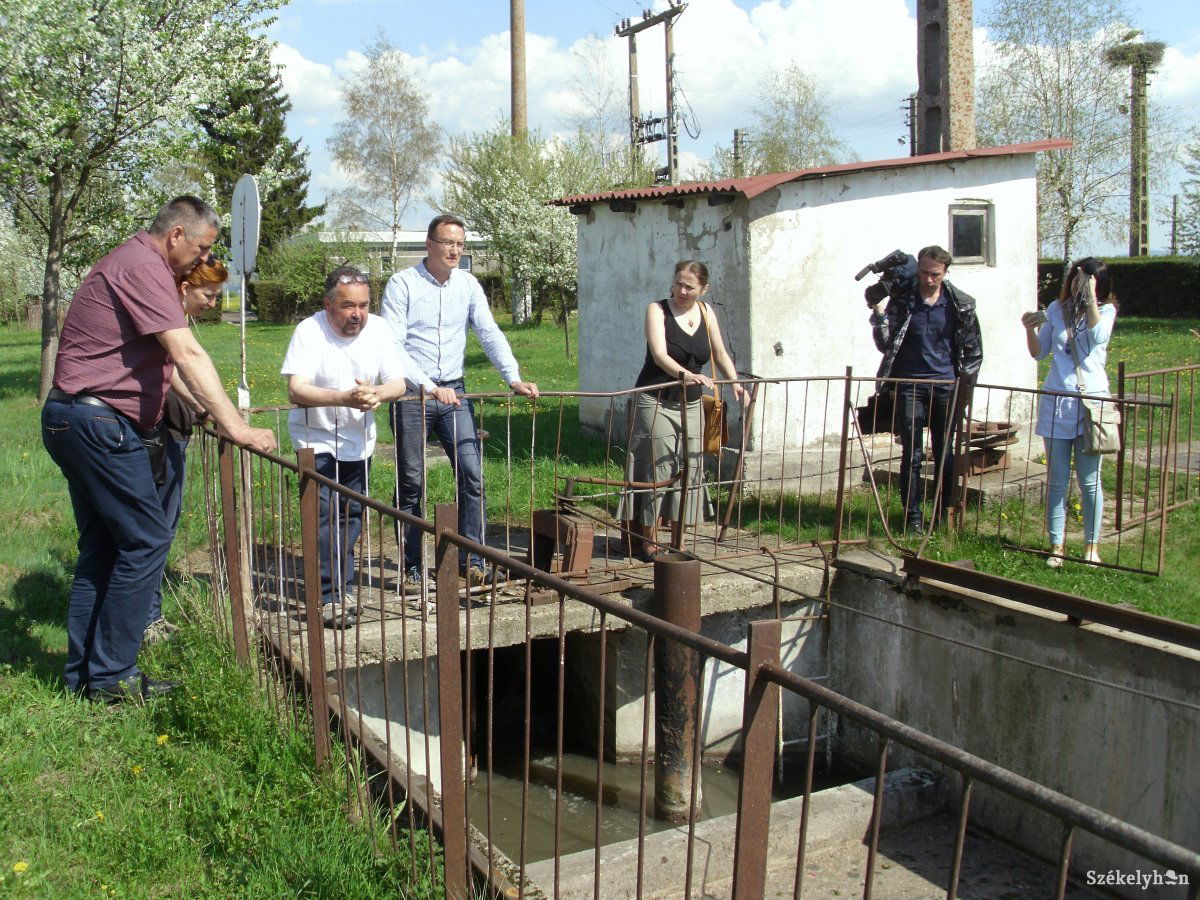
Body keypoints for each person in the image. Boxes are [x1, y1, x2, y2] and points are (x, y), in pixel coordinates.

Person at [42, 195, 277, 703]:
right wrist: (236, 427)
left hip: (73, 416)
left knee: (104, 548)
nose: (202, 260)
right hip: (98, 422)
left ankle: (84, 676)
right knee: (147, 541)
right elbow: (186, 352)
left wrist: (208, 411)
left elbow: (164, 373)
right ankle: (111, 678)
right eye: (202, 248)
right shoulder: (144, 268)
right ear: (176, 236)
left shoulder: (128, 262)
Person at [381, 214, 539, 590]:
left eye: (460, 244)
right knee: (411, 482)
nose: (454, 249)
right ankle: (412, 567)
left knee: (472, 474)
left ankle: (472, 560)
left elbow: (488, 331)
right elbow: (392, 345)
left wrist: (512, 376)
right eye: (447, 242)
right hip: (410, 395)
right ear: (429, 244)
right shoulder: (402, 284)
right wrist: (427, 386)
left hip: (455, 394)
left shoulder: (468, 285)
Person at [282, 265, 422, 628]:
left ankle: (339, 588)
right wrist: (344, 397)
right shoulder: (309, 331)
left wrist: (376, 393)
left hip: (358, 442)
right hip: (315, 439)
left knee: (351, 517)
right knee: (324, 516)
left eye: (363, 305)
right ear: (328, 304)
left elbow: (397, 382)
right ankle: (328, 596)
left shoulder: (378, 329)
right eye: (347, 306)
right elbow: (296, 389)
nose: (357, 314)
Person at [617, 260, 746, 561]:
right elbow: (660, 355)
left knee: (691, 466)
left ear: (704, 289)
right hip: (656, 398)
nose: (682, 291)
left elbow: (719, 352)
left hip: (691, 402)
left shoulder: (705, 312)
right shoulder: (657, 310)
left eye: (690, 286)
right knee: (656, 467)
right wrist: (685, 375)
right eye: (678, 283)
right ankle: (648, 541)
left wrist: (735, 383)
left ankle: (679, 540)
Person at [143, 256, 229, 644]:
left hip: (173, 430)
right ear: (183, 288)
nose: (212, 303)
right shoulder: (165, 319)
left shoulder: (172, 317)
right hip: (159, 436)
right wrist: (213, 409)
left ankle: (149, 615)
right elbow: (178, 366)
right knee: (154, 529)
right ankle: (147, 620)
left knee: (160, 526)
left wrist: (198, 406)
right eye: (208, 295)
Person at [869, 245, 984, 532]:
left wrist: (965, 390)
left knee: (945, 454)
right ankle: (913, 519)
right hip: (910, 385)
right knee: (912, 454)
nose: (928, 279)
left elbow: (973, 352)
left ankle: (943, 515)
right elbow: (886, 344)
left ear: (945, 273)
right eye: (923, 273)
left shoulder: (960, 304)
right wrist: (878, 313)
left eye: (934, 274)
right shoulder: (904, 301)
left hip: (946, 385)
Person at [1021, 257, 1118, 567]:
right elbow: (1040, 352)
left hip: (1092, 405)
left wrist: (1090, 298)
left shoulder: (1106, 311)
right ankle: (1056, 546)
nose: (1079, 283)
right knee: (1058, 480)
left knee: (1090, 480)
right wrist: (1029, 330)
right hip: (1057, 404)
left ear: (1098, 284)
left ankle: (1092, 547)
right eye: (1076, 278)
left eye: (1086, 279)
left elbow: (1098, 336)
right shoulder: (1055, 310)